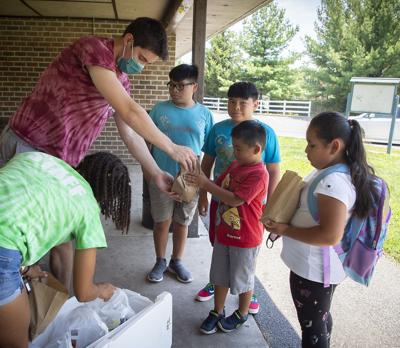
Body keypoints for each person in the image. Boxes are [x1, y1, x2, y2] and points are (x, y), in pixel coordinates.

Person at [0, 17, 197, 288]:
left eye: (146, 63)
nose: (140, 65)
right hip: (26, 145)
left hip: (57, 163)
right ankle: (15, 298)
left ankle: (59, 305)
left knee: (62, 240)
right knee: (15, 232)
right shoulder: (93, 49)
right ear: (128, 40)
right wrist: (172, 148)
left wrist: (154, 172)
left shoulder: (122, 81)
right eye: (140, 57)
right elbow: (130, 110)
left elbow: (128, 130)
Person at [265, 112, 379, 347]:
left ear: (334, 145)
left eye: (312, 144)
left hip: (314, 273)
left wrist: (285, 229)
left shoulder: (333, 183)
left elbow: (329, 235)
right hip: (318, 271)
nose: (306, 151)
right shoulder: (333, 171)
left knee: (312, 328)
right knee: (319, 318)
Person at [0, 151, 132, 348]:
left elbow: (11, 212)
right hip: (4, 252)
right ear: (106, 197)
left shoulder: (40, 157)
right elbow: (84, 292)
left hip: (7, 247)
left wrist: (25, 268)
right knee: (17, 339)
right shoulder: (87, 209)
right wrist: (103, 290)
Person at [195, 82, 280, 314]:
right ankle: (217, 282)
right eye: (232, 101)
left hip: (250, 207)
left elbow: (273, 171)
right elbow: (207, 164)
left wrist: (272, 209)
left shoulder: (266, 134)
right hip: (220, 198)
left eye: (243, 102)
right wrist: (203, 195)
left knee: (245, 254)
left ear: (255, 104)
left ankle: (246, 292)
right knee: (221, 247)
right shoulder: (219, 129)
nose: (236, 107)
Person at [185, 120, 269, 334]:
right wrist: (199, 181)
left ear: (256, 149)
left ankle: (241, 313)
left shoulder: (259, 174)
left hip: (246, 237)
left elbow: (235, 199)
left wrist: (206, 185)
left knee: (244, 278)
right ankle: (217, 311)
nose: (234, 152)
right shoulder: (235, 165)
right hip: (225, 231)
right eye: (234, 147)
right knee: (219, 275)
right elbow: (217, 183)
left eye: (238, 149)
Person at [146, 64, 214, 283]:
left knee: (182, 222)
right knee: (162, 221)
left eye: (180, 86)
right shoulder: (159, 110)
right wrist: (149, 173)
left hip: (191, 179)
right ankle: (159, 260)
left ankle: (177, 260)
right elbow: (147, 145)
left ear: (194, 86)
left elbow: (208, 152)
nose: (174, 90)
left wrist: (203, 188)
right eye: (171, 85)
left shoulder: (204, 114)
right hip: (161, 176)